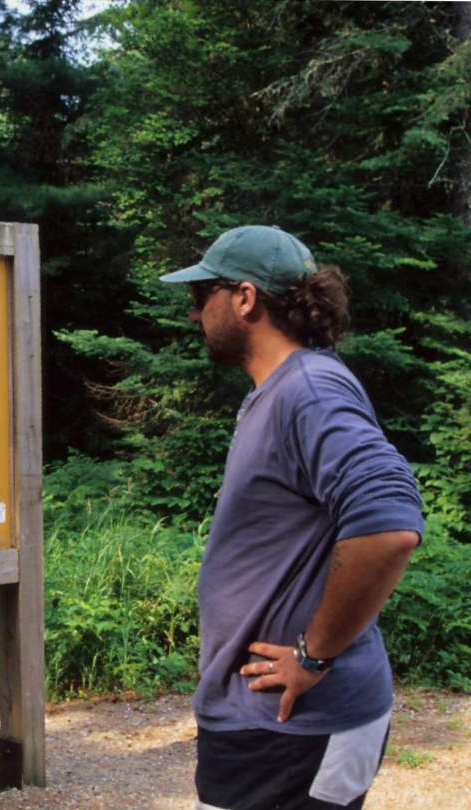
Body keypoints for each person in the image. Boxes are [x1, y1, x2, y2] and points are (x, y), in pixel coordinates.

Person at [159, 225, 424, 810]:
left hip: (291, 729)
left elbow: (388, 526)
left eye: (202, 296)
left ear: (246, 298)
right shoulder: (285, 389)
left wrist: (313, 654)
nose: (195, 314)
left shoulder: (309, 389)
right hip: (271, 728)